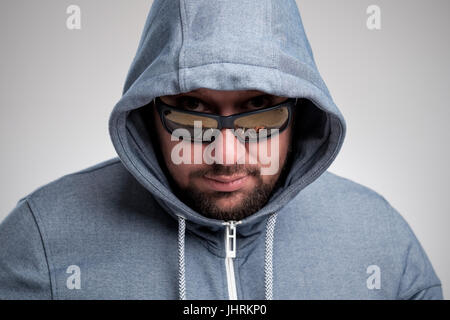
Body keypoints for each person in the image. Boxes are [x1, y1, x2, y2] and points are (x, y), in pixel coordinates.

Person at [0, 0, 442, 300]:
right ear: (148, 110)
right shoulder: (42, 241)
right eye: (192, 109)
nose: (226, 153)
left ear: (301, 112)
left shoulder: (379, 238)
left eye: (258, 109)